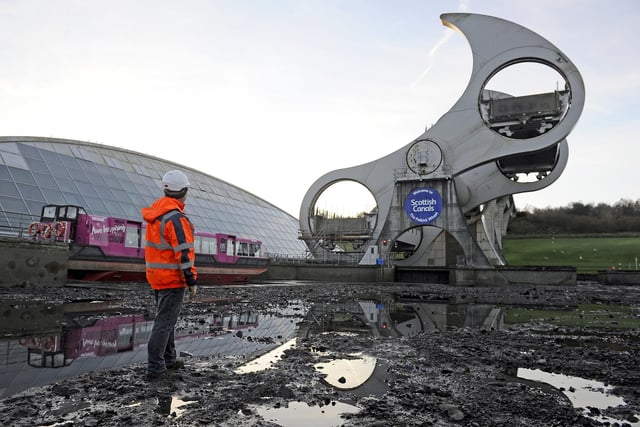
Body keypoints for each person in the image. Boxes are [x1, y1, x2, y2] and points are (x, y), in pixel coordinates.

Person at [141, 169, 198, 381]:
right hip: (172, 279)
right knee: (164, 322)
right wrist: (191, 280)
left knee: (166, 321)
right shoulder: (176, 219)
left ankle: (169, 358)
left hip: (156, 276)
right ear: (183, 191)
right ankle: (155, 368)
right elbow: (184, 253)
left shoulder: (156, 215)